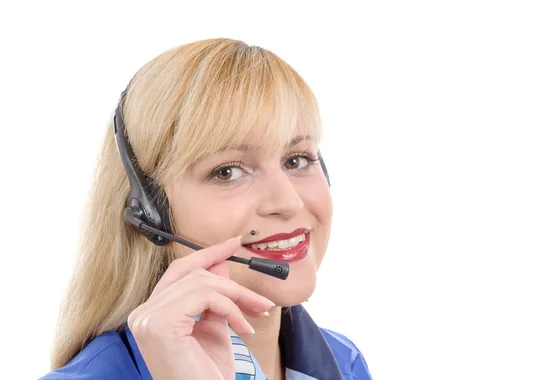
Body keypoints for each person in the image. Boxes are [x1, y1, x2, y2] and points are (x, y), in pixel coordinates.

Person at [40, 38, 372, 380]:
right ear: (152, 212)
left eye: (297, 159)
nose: (288, 202)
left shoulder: (344, 362)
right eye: (227, 171)